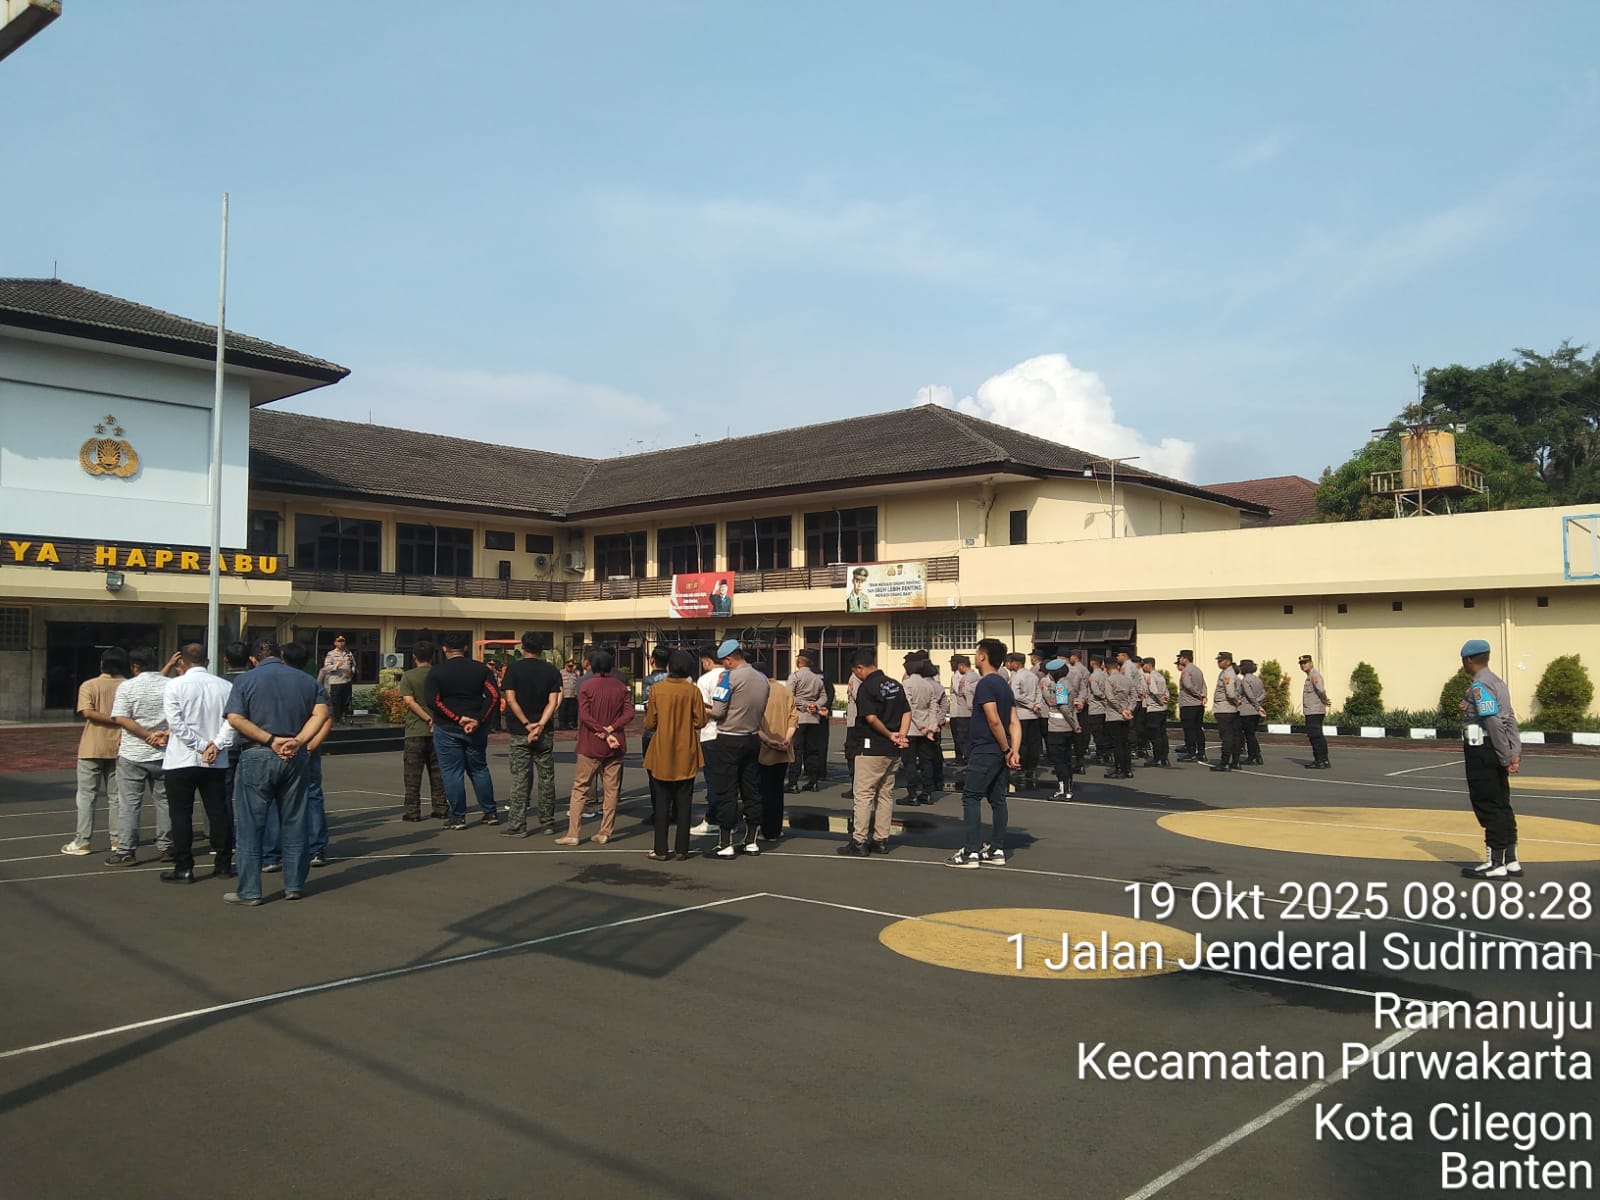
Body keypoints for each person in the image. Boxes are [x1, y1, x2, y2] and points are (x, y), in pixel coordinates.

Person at [223, 635, 330, 905]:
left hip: (257, 753)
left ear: (252, 658)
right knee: (294, 821)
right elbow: (321, 714)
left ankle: (250, 891)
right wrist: (299, 741)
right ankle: (294, 885)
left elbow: (234, 717)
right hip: (295, 755)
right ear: (281, 654)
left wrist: (270, 740)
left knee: (250, 826)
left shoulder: (245, 680)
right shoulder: (307, 680)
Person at [158, 643, 236, 882]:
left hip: (181, 758)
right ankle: (223, 864)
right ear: (207, 662)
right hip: (215, 760)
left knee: (181, 814)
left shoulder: (174, 685)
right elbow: (232, 721)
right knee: (218, 812)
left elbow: (176, 724)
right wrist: (216, 745)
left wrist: (201, 745)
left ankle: (184, 866)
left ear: (181, 662)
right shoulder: (225, 686)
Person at [105, 646, 182, 868]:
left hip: (133, 753)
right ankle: (167, 846)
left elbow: (121, 717)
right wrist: (163, 734)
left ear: (135, 666)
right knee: (165, 801)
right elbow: (180, 717)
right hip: (165, 752)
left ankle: (126, 850)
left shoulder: (127, 687)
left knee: (129, 804)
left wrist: (146, 735)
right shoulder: (171, 685)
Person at [947, 638, 1019, 868]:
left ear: (983, 656)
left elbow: (994, 719)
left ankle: (971, 852)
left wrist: (1007, 749)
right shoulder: (1004, 685)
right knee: (998, 799)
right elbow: (1014, 722)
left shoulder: (986, 684)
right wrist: (1014, 750)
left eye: (977, 653)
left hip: (986, 748)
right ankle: (997, 849)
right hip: (999, 751)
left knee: (971, 797)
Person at [1458, 638, 1523, 879]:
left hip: (1484, 749)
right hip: (1496, 748)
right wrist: (1514, 751)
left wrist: (1505, 756)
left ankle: (1495, 863)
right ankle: (1510, 859)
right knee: (1502, 803)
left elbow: (1493, 721)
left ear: (1468, 660)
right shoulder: (1498, 682)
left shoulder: (1480, 686)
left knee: (1487, 804)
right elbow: (1510, 718)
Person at [424, 632, 501, 830]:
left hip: (448, 726)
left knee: (452, 772)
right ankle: (490, 812)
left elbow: (433, 701)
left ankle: (458, 816)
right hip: (476, 725)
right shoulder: (481, 669)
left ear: (444, 649)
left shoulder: (437, 671)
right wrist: (479, 719)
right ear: (466, 648)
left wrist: (457, 718)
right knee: (479, 769)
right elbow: (493, 696)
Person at [838, 648, 909, 857]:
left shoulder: (867, 688)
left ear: (860, 668)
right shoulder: (895, 684)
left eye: (855, 671)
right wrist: (901, 735)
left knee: (863, 794)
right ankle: (881, 839)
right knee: (885, 794)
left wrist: (889, 734)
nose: (856, 675)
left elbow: (870, 718)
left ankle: (859, 840)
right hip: (893, 750)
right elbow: (907, 711)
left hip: (871, 747)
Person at [558, 648, 632, 846]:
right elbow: (629, 713)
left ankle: (573, 833)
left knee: (580, 787)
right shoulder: (620, 686)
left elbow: (585, 715)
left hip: (591, 742)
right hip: (615, 742)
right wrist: (611, 729)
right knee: (611, 789)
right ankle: (605, 831)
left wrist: (601, 730)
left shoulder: (586, 686)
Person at [61, 647, 127, 856]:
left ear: (101, 664)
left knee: (86, 796)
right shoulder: (128, 686)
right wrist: (120, 721)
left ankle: (83, 841)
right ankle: (117, 839)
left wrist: (112, 719)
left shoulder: (89, 685)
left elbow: (87, 712)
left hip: (91, 746)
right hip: (120, 746)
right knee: (117, 797)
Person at [707, 639, 770, 858]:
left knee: (726, 791)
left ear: (729, 659)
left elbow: (718, 711)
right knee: (751, 790)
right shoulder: (762, 679)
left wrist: (703, 710)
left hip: (728, 739)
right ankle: (751, 841)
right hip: (752, 738)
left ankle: (725, 843)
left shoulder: (729, 678)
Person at [642, 649, 706, 860]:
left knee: (661, 802)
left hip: (662, 748)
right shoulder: (693, 691)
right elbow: (700, 721)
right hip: (686, 748)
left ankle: (660, 849)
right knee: (684, 802)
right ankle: (682, 848)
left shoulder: (657, 689)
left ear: (669, 666)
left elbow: (650, 723)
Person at [502, 635, 563, 837]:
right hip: (544, 731)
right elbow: (553, 702)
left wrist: (527, 724)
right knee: (546, 777)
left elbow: (510, 699)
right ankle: (548, 822)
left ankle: (517, 824)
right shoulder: (551, 671)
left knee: (520, 778)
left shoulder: (513, 670)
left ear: (523, 647)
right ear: (541, 649)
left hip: (520, 731)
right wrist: (541, 725)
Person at [397, 640, 448, 820]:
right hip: (440, 729)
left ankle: (413, 811)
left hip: (415, 730)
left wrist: (427, 718)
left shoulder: (409, 676)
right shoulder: (440, 674)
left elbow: (409, 702)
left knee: (412, 775)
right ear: (432, 656)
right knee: (438, 773)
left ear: (414, 657)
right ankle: (441, 807)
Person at [755, 664, 797, 841]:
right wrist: (786, 739)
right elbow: (793, 718)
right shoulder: (785, 691)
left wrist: (768, 741)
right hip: (783, 748)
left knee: (763, 791)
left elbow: (752, 722)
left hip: (763, 749)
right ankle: (775, 829)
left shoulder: (757, 692)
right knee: (777, 791)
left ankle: (765, 829)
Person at [688, 643, 724, 835]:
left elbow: (701, 708)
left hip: (711, 734)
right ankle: (729, 819)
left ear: (708, 661)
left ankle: (713, 819)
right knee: (730, 780)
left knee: (712, 780)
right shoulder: (733, 676)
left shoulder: (705, 680)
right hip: (733, 734)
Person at [902, 655, 944, 805]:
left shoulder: (907, 684)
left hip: (911, 728)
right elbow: (934, 707)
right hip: (926, 730)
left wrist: (921, 725)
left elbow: (909, 708)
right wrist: (931, 727)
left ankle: (912, 794)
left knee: (910, 762)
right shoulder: (928, 685)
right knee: (926, 761)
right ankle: (927, 793)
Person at [785, 649, 828, 792]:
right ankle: (813, 781)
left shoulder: (795, 676)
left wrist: (804, 705)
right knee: (812, 751)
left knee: (797, 750)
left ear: (799, 662)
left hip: (799, 717)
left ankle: (793, 782)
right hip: (814, 719)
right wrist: (815, 705)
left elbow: (789, 696)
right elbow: (824, 697)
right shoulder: (817, 679)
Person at [1006, 651, 1043, 790]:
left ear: (1016, 664)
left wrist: (1030, 704)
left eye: (1010, 662)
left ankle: (1021, 768)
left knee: (1022, 744)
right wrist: (1037, 704)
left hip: (1021, 715)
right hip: (1034, 715)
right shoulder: (1033, 675)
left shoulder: (1017, 677)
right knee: (1034, 743)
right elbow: (1039, 692)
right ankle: (1031, 769)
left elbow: (1015, 695)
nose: (1008, 665)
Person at [1042, 657, 1078, 800]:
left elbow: (1063, 707)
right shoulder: (1066, 683)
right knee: (1066, 759)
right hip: (1066, 728)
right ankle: (1068, 788)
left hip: (1058, 728)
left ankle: (1064, 790)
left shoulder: (1060, 686)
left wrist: (1075, 725)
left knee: (1059, 761)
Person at [1102, 659, 1137, 779]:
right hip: (1126, 715)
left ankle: (1119, 769)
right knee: (1125, 743)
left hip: (1114, 715)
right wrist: (1129, 709)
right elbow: (1134, 697)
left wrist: (1121, 710)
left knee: (1117, 744)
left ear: (1106, 668)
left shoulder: (1109, 680)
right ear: (1117, 667)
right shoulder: (1127, 679)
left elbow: (1110, 698)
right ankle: (1128, 769)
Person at [1211, 651, 1242, 773]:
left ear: (1228, 661)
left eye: (1221, 660)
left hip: (1225, 708)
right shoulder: (1228, 673)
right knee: (1234, 736)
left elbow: (1230, 693)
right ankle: (1235, 761)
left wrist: (1236, 701)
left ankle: (1225, 763)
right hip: (1230, 709)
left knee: (1227, 737)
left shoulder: (1227, 674)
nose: (1218, 663)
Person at [1299, 654, 1331, 769]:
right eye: (1301, 664)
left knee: (1315, 736)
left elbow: (1320, 689)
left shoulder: (1314, 675)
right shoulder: (1310, 676)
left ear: (1311, 663)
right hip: (1312, 710)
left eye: (1305, 663)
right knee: (1315, 736)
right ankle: (1322, 759)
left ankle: (1320, 760)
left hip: (1314, 711)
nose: (1303, 665)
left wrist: (1324, 699)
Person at [1176, 650, 1208, 764]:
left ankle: (1191, 752)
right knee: (1198, 729)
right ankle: (1201, 752)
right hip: (1198, 704)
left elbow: (1187, 685)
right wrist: (1203, 695)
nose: (1179, 660)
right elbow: (1204, 685)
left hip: (1188, 704)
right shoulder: (1198, 670)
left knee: (1189, 730)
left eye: (1180, 658)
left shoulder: (1186, 670)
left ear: (1185, 658)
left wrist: (1198, 694)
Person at [1140, 659, 1172, 767]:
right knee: (1162, 734)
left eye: (1144, 665)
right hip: (1163, 709)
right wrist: (1166, 699)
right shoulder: (1160, 676)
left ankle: (1157, 758)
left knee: (1155, 735)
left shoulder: (1151, 676)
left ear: (1149, 665)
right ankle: (1164, 757)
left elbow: (1154, 691)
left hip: (1154, 709)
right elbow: (1166, 691)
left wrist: (1160, 701)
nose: (1142, 667)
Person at [319, 635, 356, 725]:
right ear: (335, 643)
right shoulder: (331, 654)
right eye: (339, 641)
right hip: (336, 681)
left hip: (347, 681)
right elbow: (326, 667)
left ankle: (344, 717)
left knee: (346, 701)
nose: (341, 643)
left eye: (342, 641)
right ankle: (337, 720)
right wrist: (337, 665)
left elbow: (354, 665)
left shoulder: (348, 653)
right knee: (336, 702)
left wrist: (351, 672)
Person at [1065, 649, 1091, 773]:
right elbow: (1083, 689)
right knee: (1078, 735)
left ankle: (1067, 764)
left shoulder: (1061, 671)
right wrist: (1080, 701)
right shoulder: (1080, 671)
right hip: (1078, 706)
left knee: (1064, 737)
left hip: (1064, 707)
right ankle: (1079, 762)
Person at [1237, 659, 1266, 766]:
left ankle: (1252, 757)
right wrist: (1258, 703)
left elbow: (1249, 695)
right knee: (1251, 734)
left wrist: (1255, 704)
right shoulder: (1258, 680)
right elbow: (1263, 693)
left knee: (1248, 735)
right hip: (1255, 712)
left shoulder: (1245, 680)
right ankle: (1257, 756)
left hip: (1246, 711)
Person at [948, 654, 974, 768]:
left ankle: (961, 759)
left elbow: (959, 691)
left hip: (958, 713)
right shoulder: (969, 675)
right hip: (964, 712)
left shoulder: (957, 676)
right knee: (964, 738)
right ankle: (961, 758)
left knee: (959, 738)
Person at [1084, 654, 1111, 768]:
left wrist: (1103, 697)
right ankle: (1107, 754)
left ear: (1092, 663)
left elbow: (1095, 691)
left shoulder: (1093, 676)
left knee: (1097, 734)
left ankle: (1101, 755)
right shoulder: (1106, 674)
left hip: (1095, 708)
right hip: (1105, 709)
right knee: (1105, 733)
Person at [558, 660, 581, 730]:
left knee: (572, 712)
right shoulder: (561, 673)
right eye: (569, 666)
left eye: (572, 666)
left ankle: (572, 725)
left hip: (573, 695)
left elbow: (578, 683)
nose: (570, 667)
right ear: (565, 665)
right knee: (563, 711)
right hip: (564, 695)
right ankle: (562, 725)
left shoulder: (576, 673)